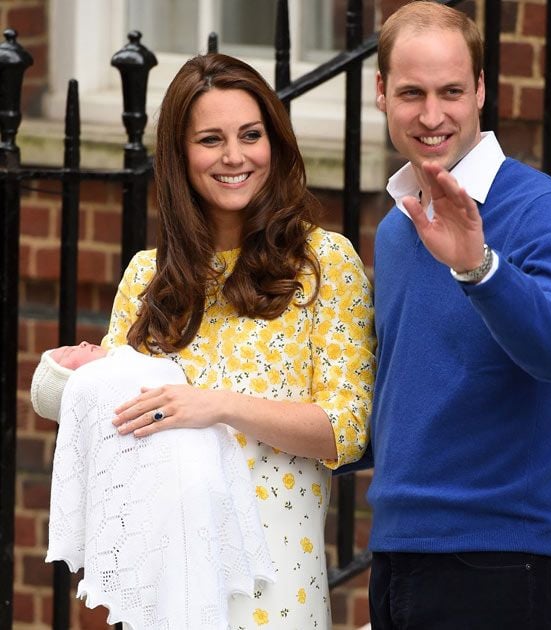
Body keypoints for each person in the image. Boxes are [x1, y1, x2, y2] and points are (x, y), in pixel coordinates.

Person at [100, 53, 376, 628]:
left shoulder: (324, 263)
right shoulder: (145, 279)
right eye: (210, 139)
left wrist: (218, 406)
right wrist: (66, 379)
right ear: (180, 156)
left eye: (251, 135)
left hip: (278, 591)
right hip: (165, 591)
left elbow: (346, 431)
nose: (234, 156)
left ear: (274, 144)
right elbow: (112, 431)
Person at [364, 1, 551, 628]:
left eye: (451, 92)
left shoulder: (543, 207)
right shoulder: (394, 228)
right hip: (397, 551)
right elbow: (400, 393)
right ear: (381, 92)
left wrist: (479, 267)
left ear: (482, 92)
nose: (432, 115)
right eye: (412, 92)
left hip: (500, 562)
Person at [30, 341, 275, 630]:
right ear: (70, 387)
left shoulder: (127, 359)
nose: (81, 343)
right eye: (69, 354)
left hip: (202, 484)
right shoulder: (92, 384)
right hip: (168, 500)